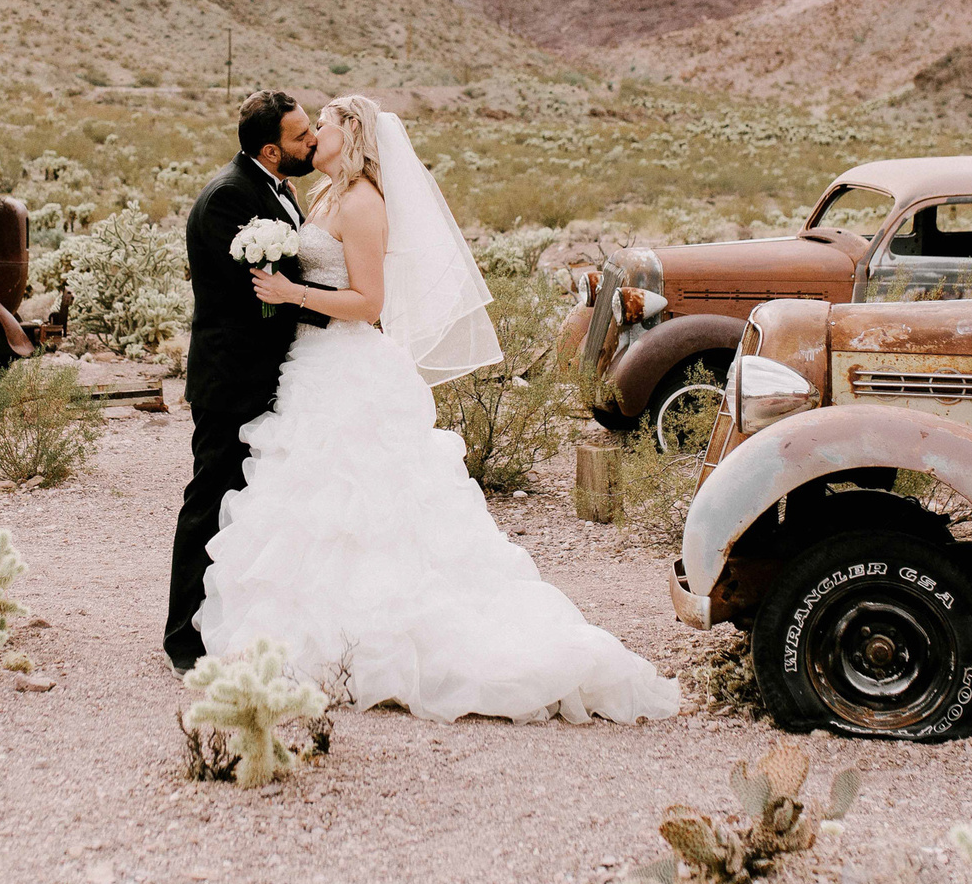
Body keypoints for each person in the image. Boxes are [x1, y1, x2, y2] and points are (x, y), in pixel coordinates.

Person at [192, 94, 681, 724]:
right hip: (311, 366)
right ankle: (325, 633)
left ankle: (379, 642)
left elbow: (369, 302)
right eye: (308, 130)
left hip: (347, 366)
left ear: (354, 133)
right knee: (317, 511)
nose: (315, 136)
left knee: (362, 509)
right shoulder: (322, 197)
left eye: (326, 125)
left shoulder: (365, 201)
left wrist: (290, 292)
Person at [164, 91, 329, 672]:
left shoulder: (275, 188)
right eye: (301, 136)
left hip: (271, 373)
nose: (312, 142)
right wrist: (340, 311)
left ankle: (234, 624)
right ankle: (183, 640)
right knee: (210, 501)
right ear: (270, 149)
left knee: (256, 506)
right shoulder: (230, 198)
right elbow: (255, 294)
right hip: (233, 378)